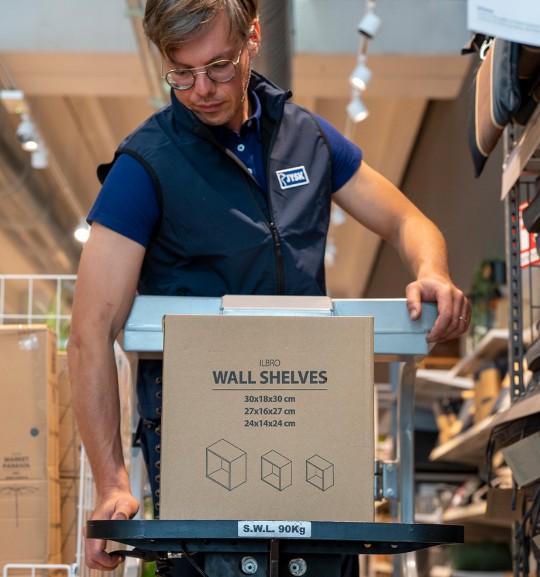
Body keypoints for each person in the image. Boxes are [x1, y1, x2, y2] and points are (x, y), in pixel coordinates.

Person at [67, 0, 471, 574]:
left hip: (312, 416)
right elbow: (89, 334)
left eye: (219, 67)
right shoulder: (146, 164)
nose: (201, 89)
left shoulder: (307, 138)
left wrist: (432, 271)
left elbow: (407, 220)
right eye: (181, 73)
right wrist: (112, 483)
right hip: (202, 442)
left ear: (253, 37)